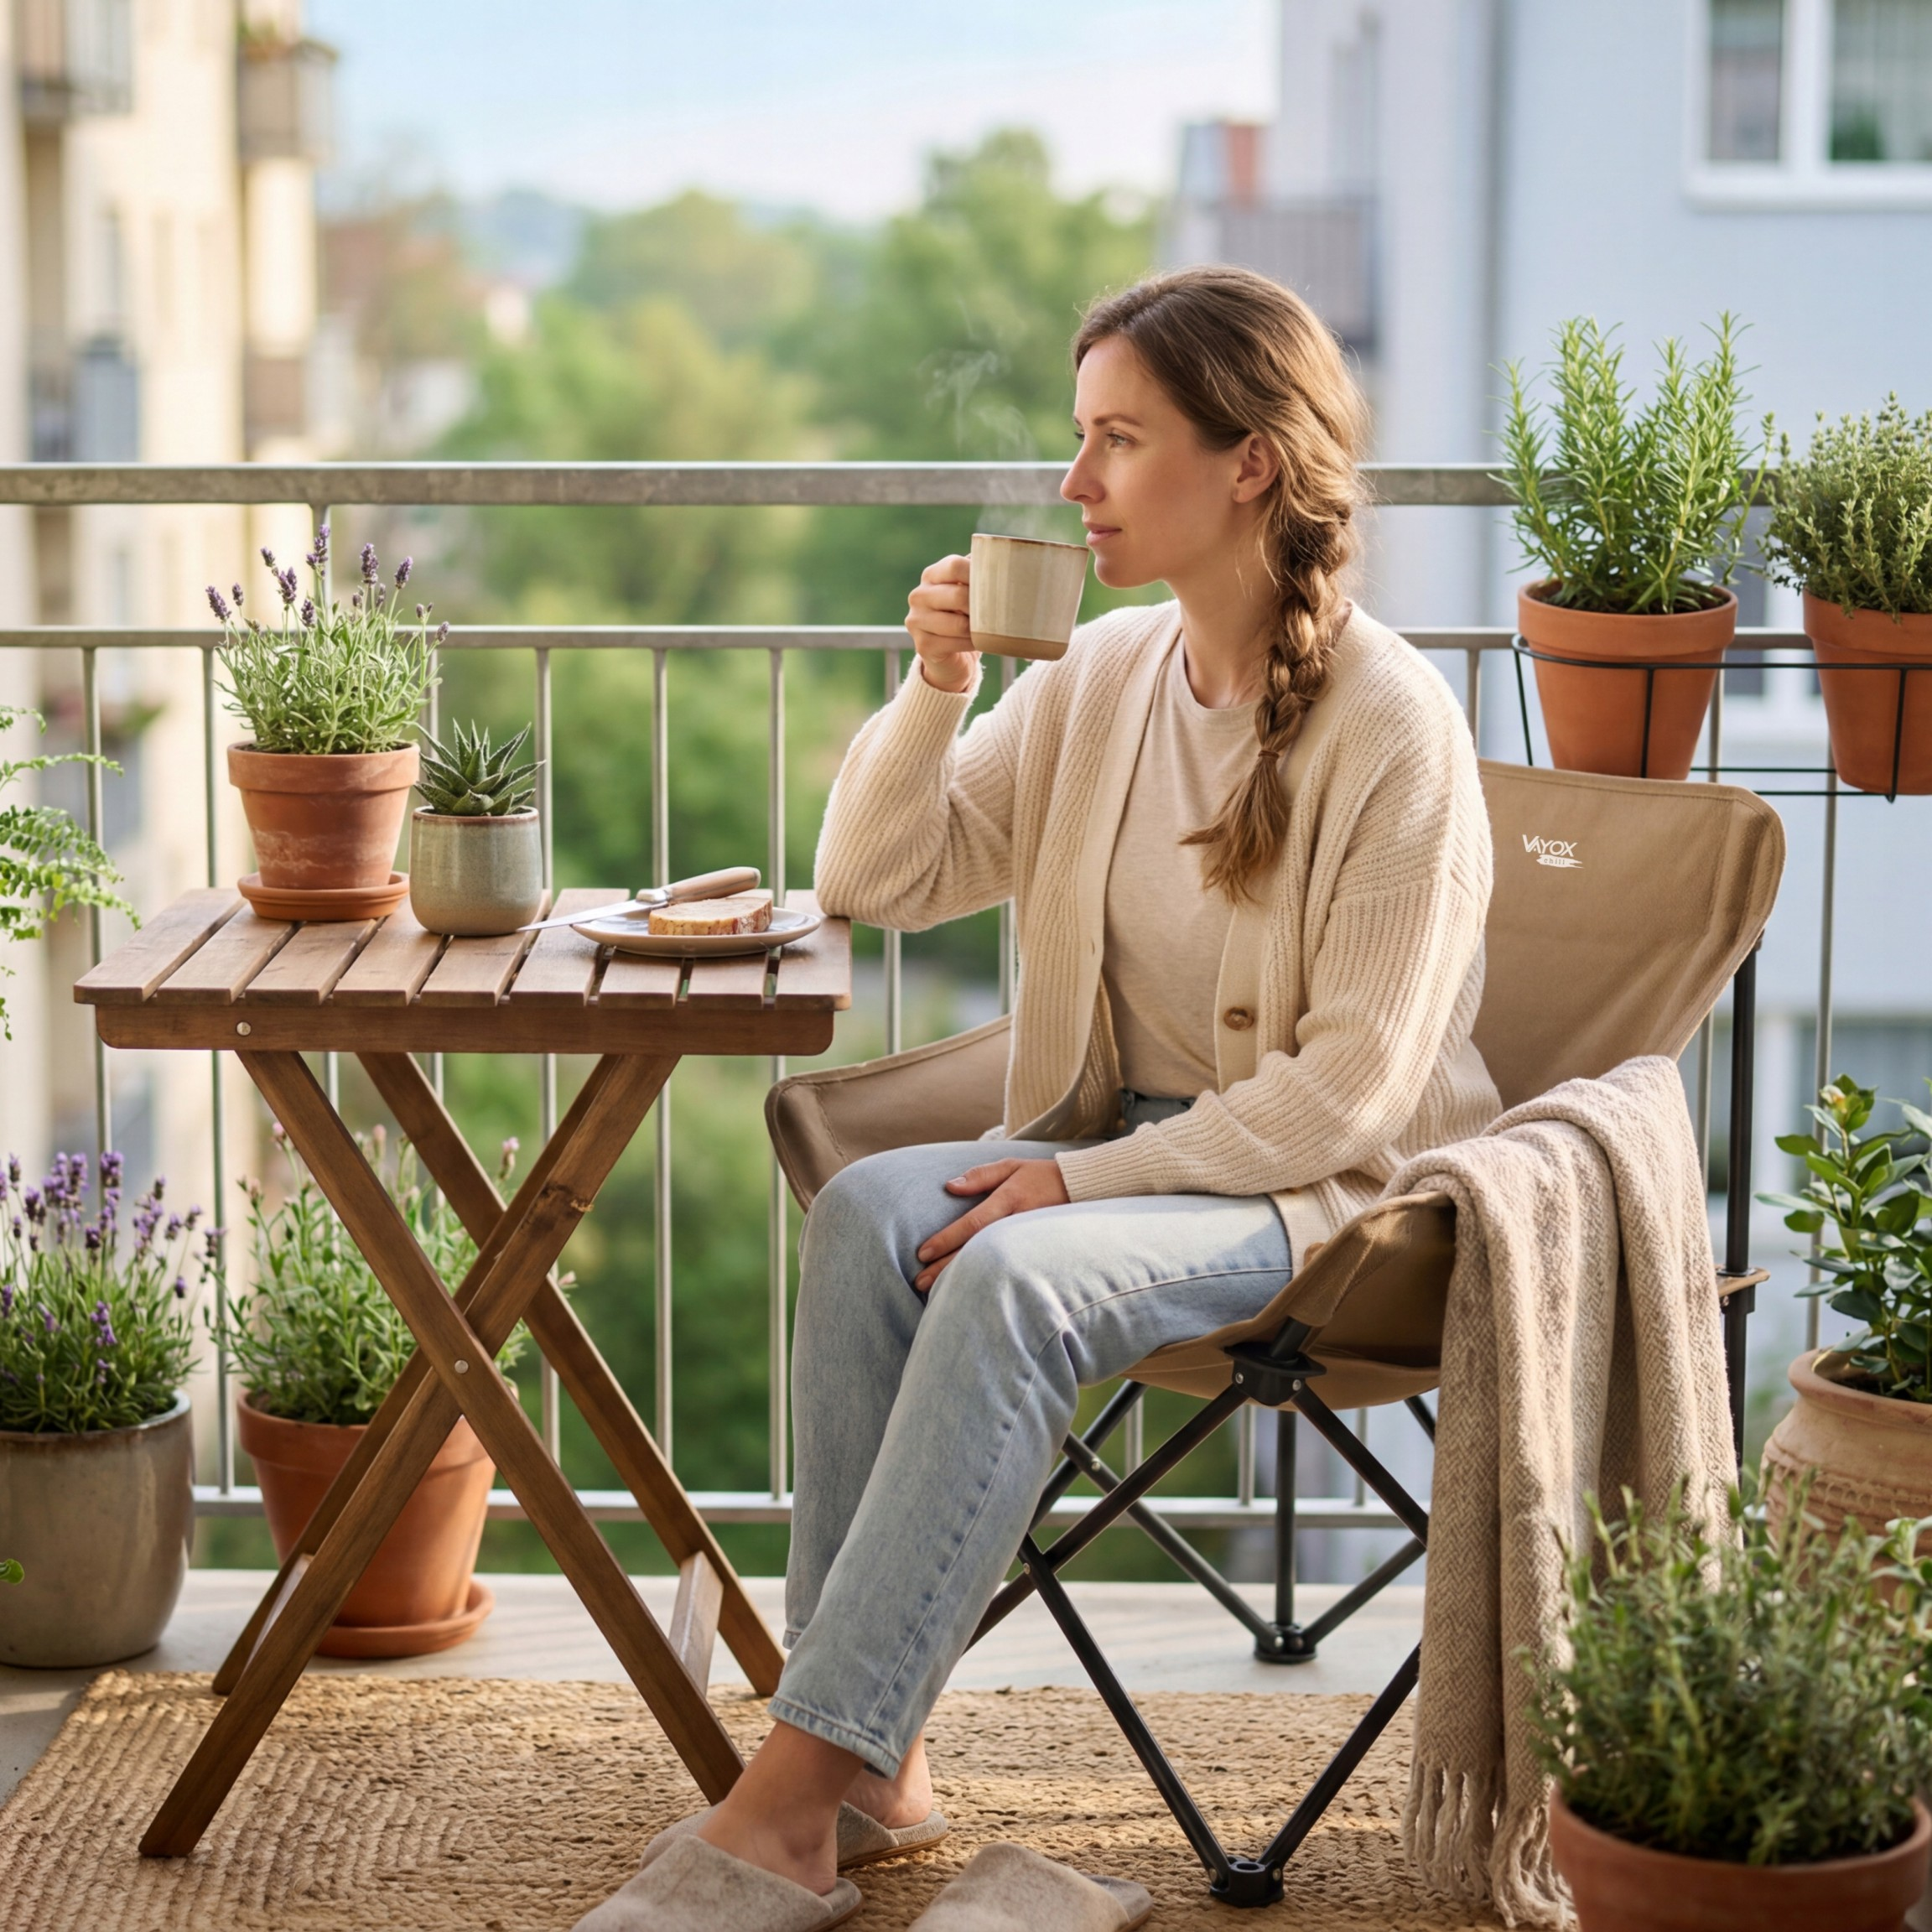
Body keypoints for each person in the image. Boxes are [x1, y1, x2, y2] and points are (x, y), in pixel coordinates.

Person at [575, 264, 1499, 1929]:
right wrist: (934, 688)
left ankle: (791, 1801)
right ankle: (887, 1762)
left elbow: (1354, 1097)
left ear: (1250, 468)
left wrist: (1077, 1188)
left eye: (1120, 442)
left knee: (998, 1269)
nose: (1074, 486)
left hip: (1324, 1201)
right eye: (1078, 438)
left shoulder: (1393, 733)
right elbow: (875, 872)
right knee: (869, 1214)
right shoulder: (1100, 681)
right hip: (1122, 1148)